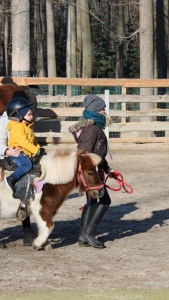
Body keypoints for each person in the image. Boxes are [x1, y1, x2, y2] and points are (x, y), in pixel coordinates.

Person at [69, 94, 115, 249]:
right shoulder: (92, 129)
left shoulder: (92, 128)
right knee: (105, 201)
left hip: (94, 171)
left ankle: (83, 238)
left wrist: (107, 169)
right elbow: (87, 152)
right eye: (102, 109)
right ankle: (88, 233)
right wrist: (92, 173)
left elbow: (97, 152)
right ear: (96, 110)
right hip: (91, 173)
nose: (105, 111)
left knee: (92, 201)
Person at [0, 109, 35, 246]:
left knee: (31, 182)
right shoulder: (3, 121)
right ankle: (27, 228)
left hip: (25, 156)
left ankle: (27, 226)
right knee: (21, 183)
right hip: (11, 158)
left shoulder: (25, 119)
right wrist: (6, 150)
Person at [5, 97, 45, 191]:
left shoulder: (27, 127)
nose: (31, 116)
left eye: (31, 114)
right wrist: (36, 151)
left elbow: (33, 141)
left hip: (25, 153)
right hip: (18, 153)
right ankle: (12, 178)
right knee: (27, 165)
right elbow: (24, 142)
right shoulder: (17, 128)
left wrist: (40, 149)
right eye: (29, 115)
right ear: (19, 115)